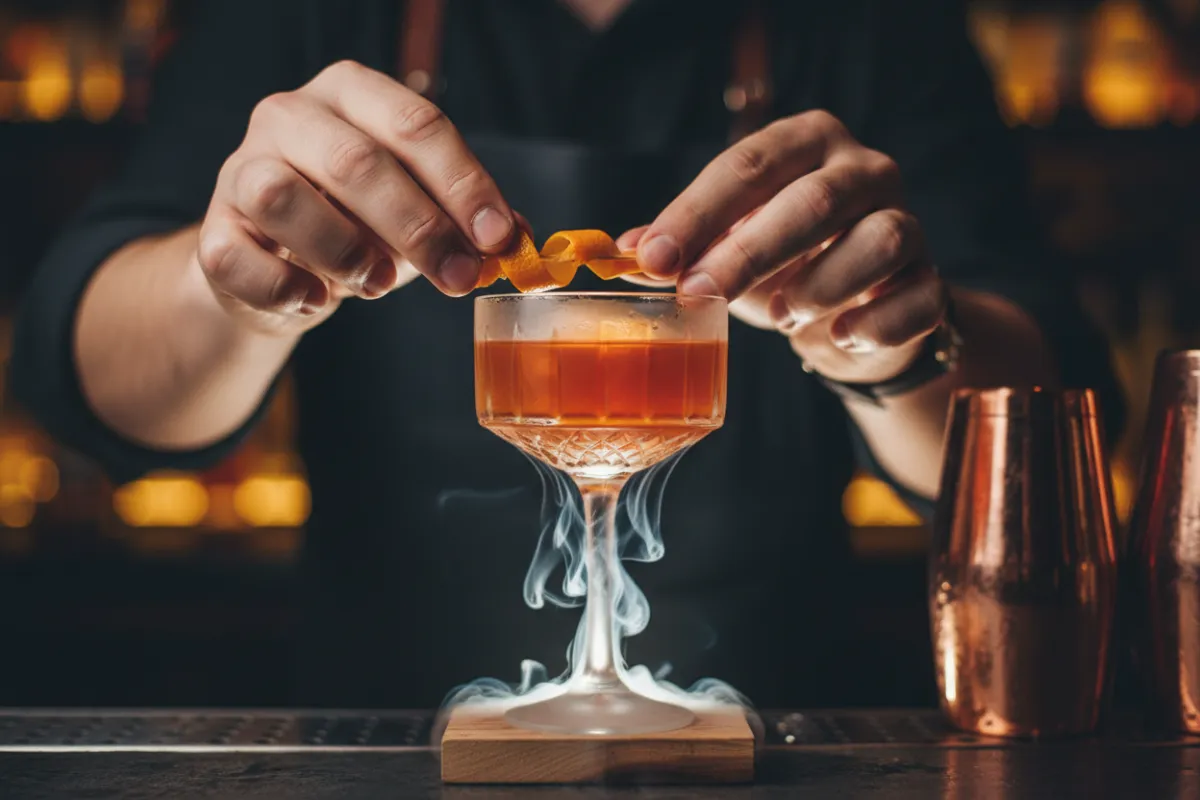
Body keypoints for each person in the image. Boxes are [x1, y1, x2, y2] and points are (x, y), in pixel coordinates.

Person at [12, 0, 1121, 709]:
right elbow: (78, 373)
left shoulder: (877, 26)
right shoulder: (299, 14)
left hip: (780, 741)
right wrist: (238, 287)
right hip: (383, 744)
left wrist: (890, 334)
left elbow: (1057, 415)